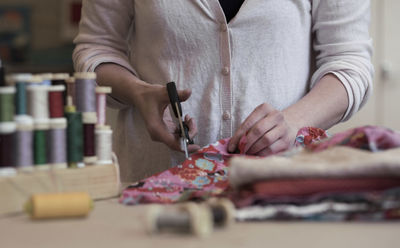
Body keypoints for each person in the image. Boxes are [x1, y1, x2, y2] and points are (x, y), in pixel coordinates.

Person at [73, 0, 373, 182]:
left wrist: (292, 122)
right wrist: (137, 93)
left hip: (281, 188)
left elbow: (349, 63)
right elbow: (96, 48)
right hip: (154, 189)